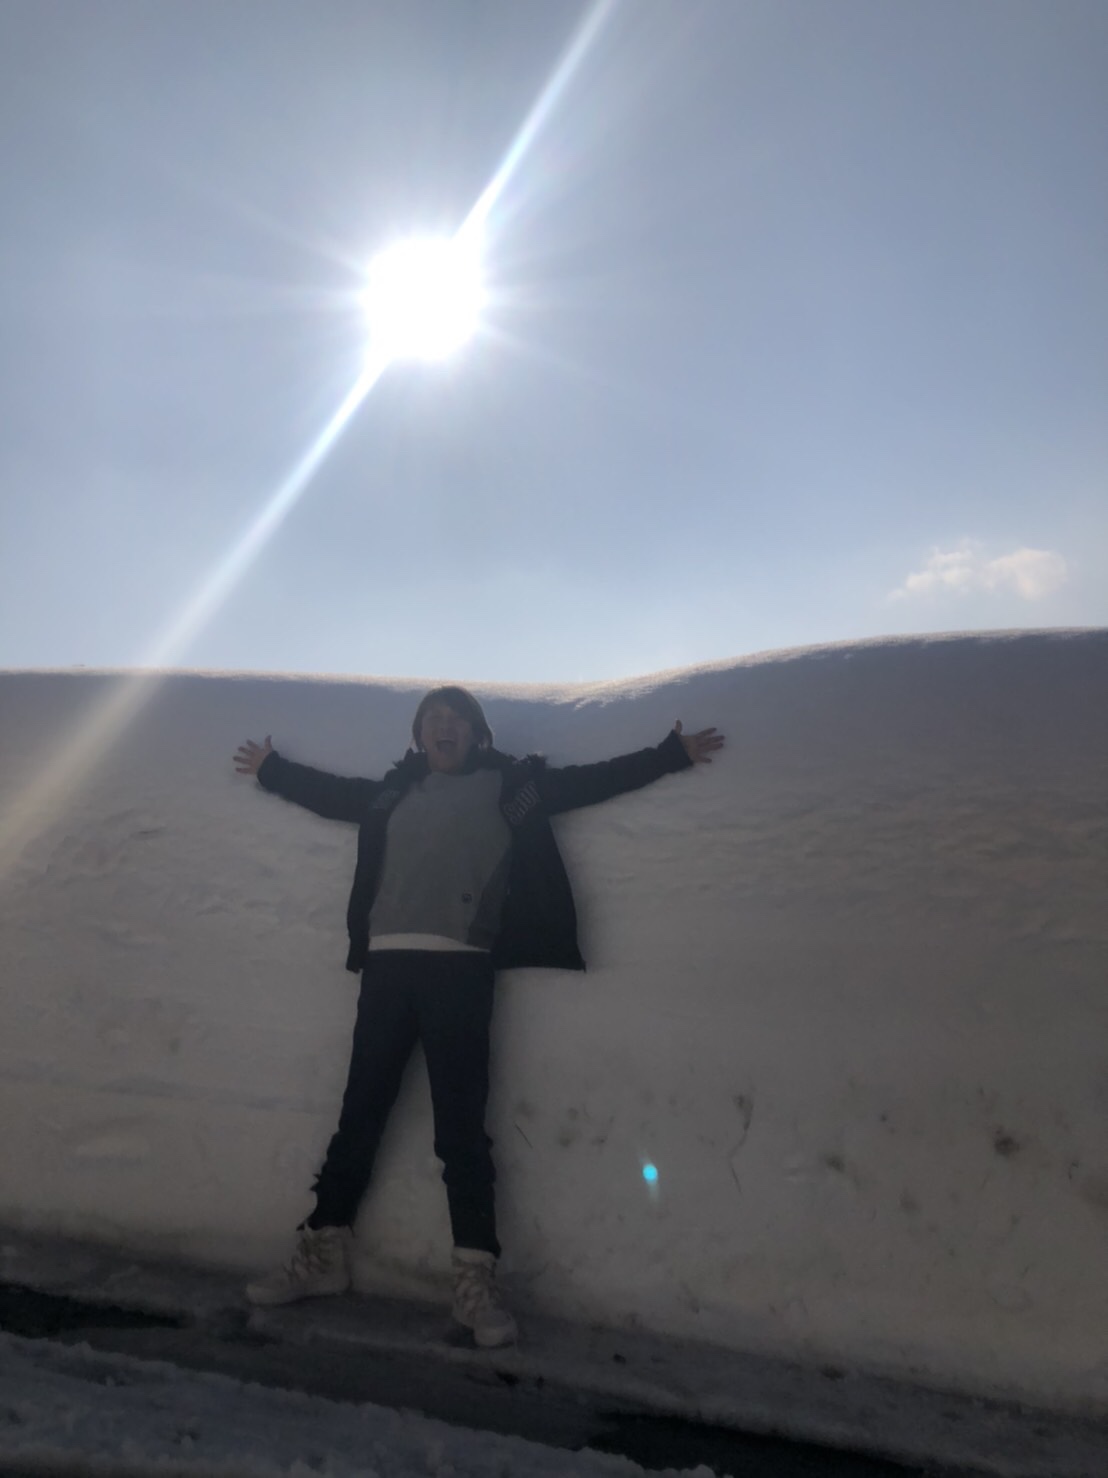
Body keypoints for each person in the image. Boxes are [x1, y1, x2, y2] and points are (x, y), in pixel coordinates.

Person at [234, 685, 723, 1347]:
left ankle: (474, 1279)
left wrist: (670, 754)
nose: (445, 726)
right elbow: (334, 795)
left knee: (461, 1132)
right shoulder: (392, 793)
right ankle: (322, 1252)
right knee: (359, 1118)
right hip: (386, 971)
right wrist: (272, 770)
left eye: (457, 719)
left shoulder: (511, 787)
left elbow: (591, 782)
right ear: (419, 737)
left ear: (477, 736)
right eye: (433, 719)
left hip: (459, 972)